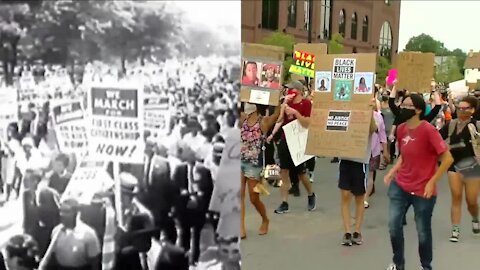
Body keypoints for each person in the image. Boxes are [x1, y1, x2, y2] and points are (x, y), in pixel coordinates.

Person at [383, 94, 454, 270]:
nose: (403, 108)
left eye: (408, 105)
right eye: (403, 104)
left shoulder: (428, 130)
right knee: (393, 226)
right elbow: (404, 155)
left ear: (419, 110)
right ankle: (398, 263)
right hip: (400, 186)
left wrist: (432, 182)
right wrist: (393, 171)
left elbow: (447, 159)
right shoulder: (400, 129)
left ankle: (425, 265)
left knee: (423, 232)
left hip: (423, 190)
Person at [439, 96, 480, 242]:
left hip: (472, 167)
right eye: (460, 108)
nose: (462, 111)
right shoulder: (451, 125)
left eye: (466, 108)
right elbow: (436, 139)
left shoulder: (476, 125)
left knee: (472, 201)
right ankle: (455, 230)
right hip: (453, 165)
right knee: (456, 196)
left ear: (473, 110)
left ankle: (475, 217)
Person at [338, 98, 379, 246]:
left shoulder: (372, 115)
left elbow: (373, 129)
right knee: (344, 194)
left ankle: (357, 231)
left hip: (360, 161)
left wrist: (369, 110)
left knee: (359, 197)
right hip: (345, 159)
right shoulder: (344, 112)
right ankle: (347, 231)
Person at [273, 80, 316, 214]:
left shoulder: (306, 103)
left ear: (297, 90)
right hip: (286, 140)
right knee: (284, 172)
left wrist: (296, 113)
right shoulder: (287, 103)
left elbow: (307, 123)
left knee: (301, 173)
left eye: (290, 89)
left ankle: (311, 194)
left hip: (298, 142)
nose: (288, 91)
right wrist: (283, 107)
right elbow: (280, 120)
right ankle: (284, 202)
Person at [240, 102, 280, 239]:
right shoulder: (242, 119)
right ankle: (240, 227)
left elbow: (277, 115)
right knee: (239, 195)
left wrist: (279, 101)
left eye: (250, 103)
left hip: (254, 164)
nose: (247, 105)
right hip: (240, 160)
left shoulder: (263, 122)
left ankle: (265, 219)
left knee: (253, 198)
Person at [46, 198, 101, 270]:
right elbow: (52, 257)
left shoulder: (88, 233)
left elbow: (94, 262)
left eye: (66, 211)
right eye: (61, 211)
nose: (62, 214)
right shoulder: (56, 231)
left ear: (76, 213)